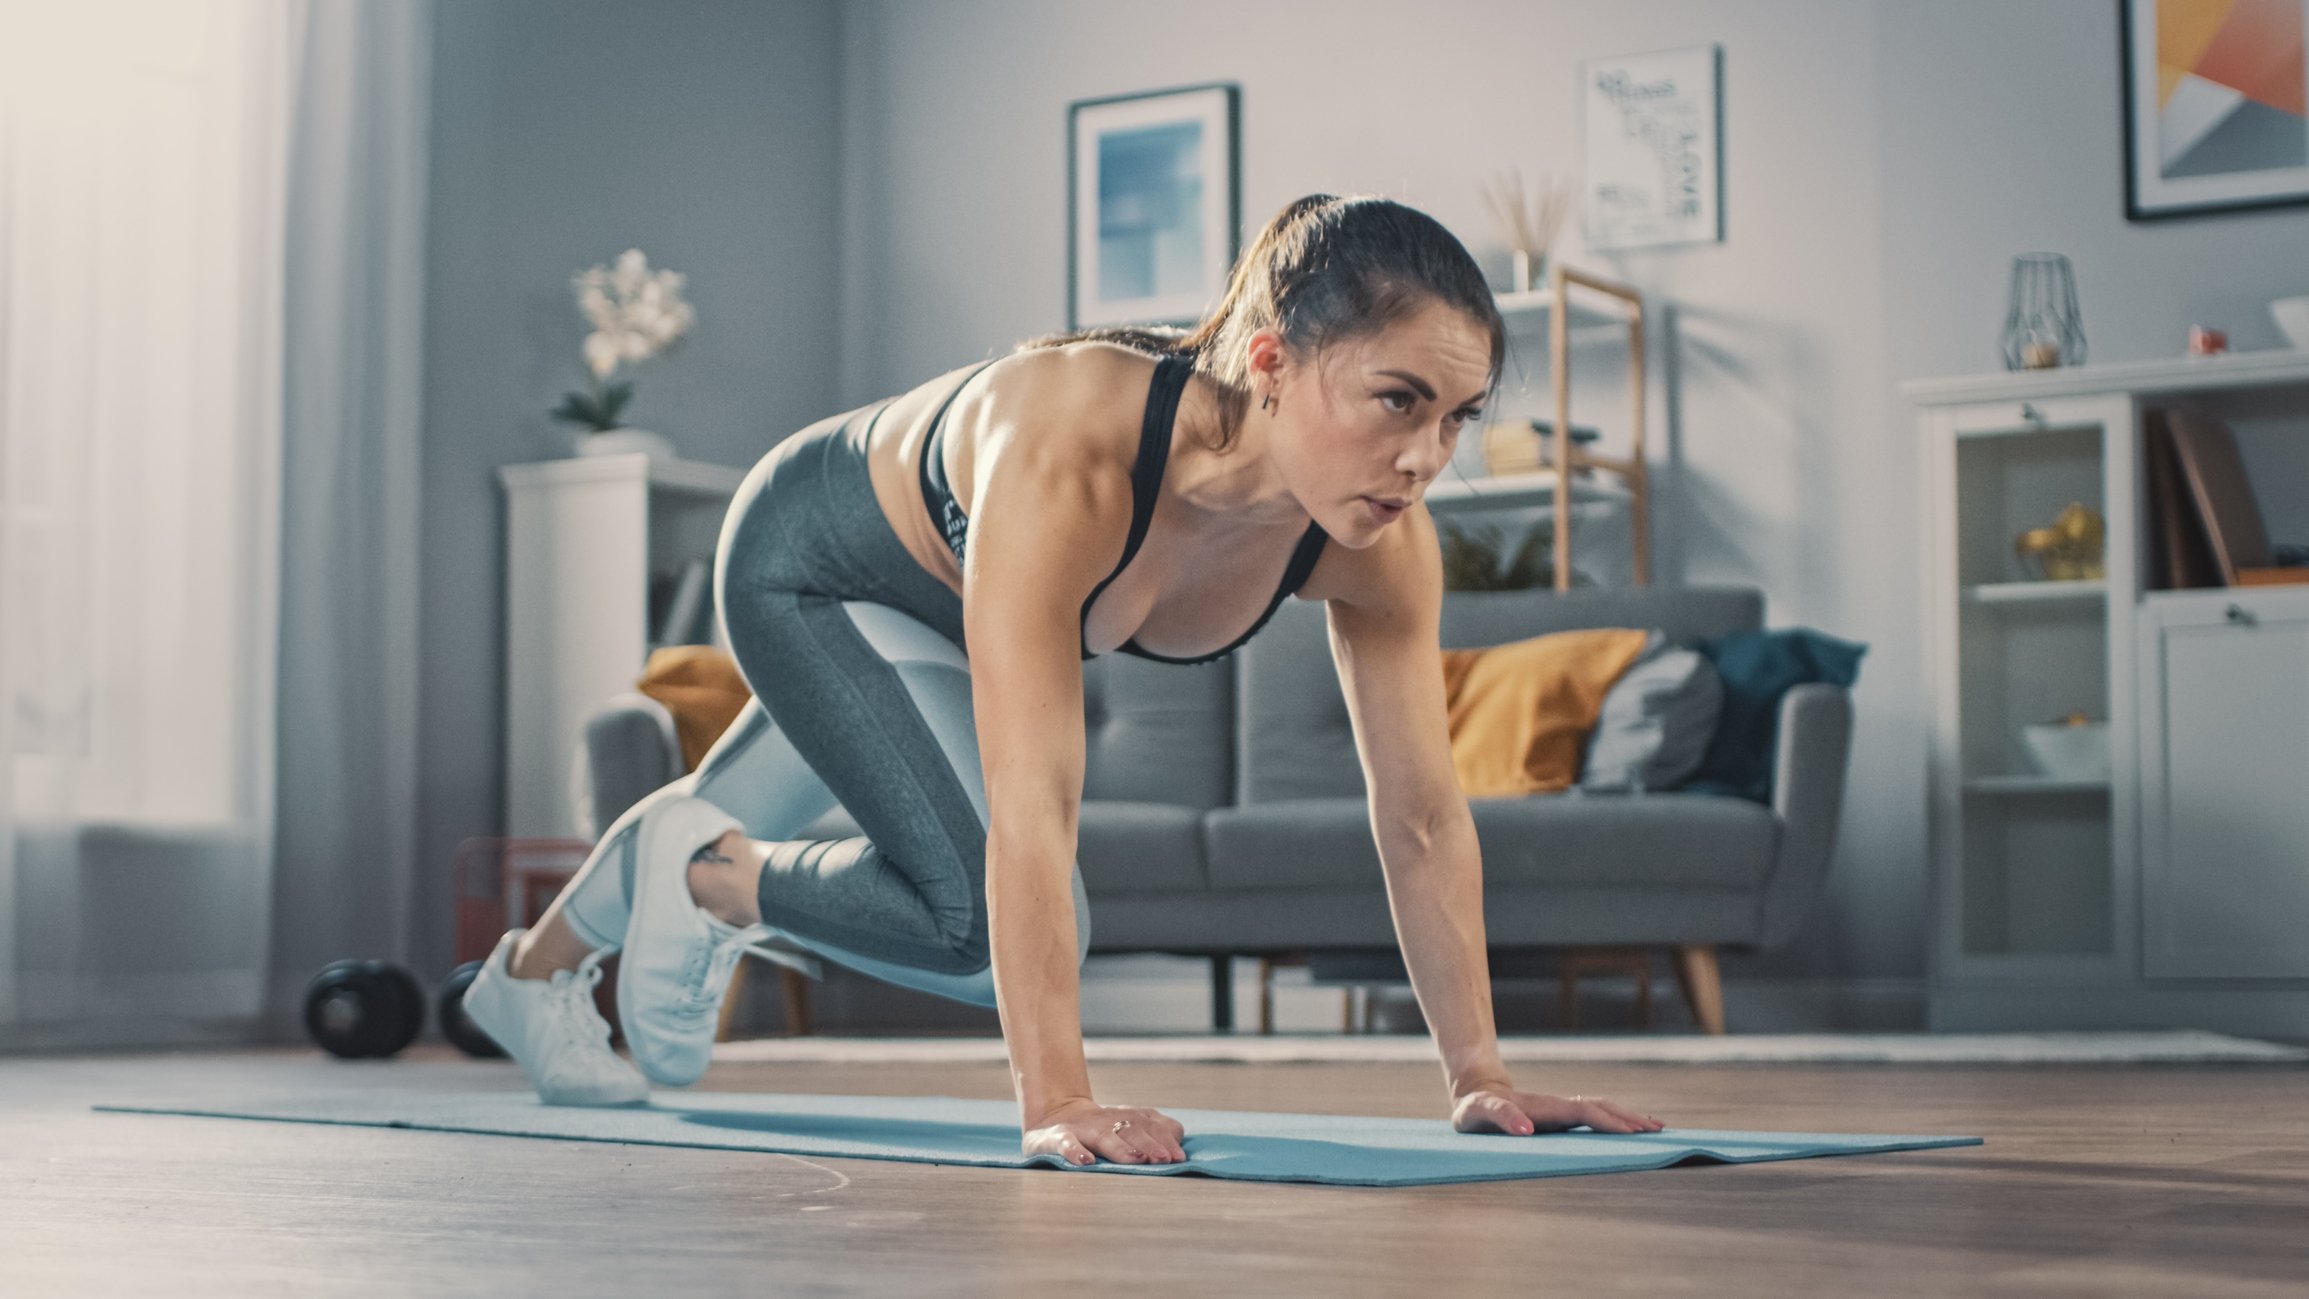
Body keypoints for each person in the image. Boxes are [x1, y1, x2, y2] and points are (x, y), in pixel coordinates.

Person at [462, 194, 1664, 1166]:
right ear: (1271, 363)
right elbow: (1031, 800)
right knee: (981, 924)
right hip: (815, 570)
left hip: (927, 619)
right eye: (1396, 401)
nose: (1424, 458)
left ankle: (526, 979)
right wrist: (1058, 1100)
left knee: (893, 842)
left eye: (1454, 418)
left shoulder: (1378, 546)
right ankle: (710, 879)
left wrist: (1480, 1080)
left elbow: (1417, 816)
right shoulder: (1075, 455)